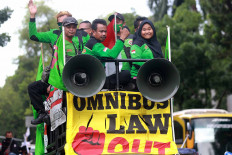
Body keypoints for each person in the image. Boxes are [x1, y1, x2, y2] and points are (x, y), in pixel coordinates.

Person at [82, 19, 130, 89]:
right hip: (93, 81)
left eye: (105, 31)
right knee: (126, 75)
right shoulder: (95, 44)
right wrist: (122, 38)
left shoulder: (93, 42)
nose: (104, 34)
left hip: (94, 78)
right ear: (93, 31)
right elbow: (112, 55)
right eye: (101, 31)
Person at [130, 19, 164, 89]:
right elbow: (136, 62)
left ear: (153, 30)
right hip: (139, 79)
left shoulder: (156, 44)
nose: (147, 32)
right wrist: (153, 66)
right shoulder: (137, 44)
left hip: (155, 77)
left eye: (149, 29)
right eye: (144, 30)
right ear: (140, 31)